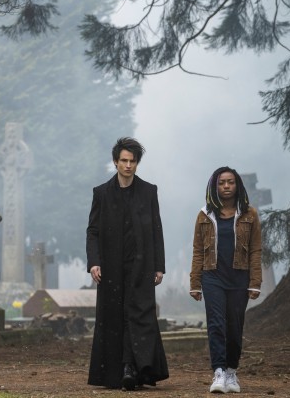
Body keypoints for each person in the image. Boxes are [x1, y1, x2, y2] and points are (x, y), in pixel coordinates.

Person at [86, 137, 169, 390]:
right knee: (113, 316)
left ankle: (132, 368)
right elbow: (93, 231)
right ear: (115, 162)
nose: (128, 165)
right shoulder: (101, 193)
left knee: (140, 315)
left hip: (141, 266)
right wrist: (94, 262)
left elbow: (156, 230)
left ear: (137, 163)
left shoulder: (148, 191)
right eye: (124, 160)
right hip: (110, 267)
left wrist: (159, 266)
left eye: (132, 161)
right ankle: (118, 370)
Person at [189, 166, 262, 393]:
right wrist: (195, 283)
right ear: (215, 187)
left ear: (237, 185)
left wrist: (255, 282)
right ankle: (219, 372)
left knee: (234, 326)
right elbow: (198, 250)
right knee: (216, 325)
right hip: (212, 277)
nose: (226, 186)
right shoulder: (204, 215)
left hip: (240, 277)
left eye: (230, 182)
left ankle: (231, 372)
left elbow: (255, 250)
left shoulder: (250, 214)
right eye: (221, 183)